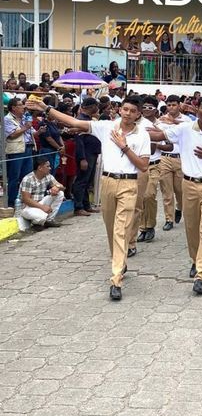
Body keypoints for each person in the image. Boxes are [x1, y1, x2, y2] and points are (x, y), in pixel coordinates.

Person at [25, 95, 151, 301]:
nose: (128, 113)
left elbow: (144, 166)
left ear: (138, 115)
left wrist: (124, 146)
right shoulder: (106, 126)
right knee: (111, 229)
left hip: (129, 184)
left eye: (133, 111)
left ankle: (116, 278)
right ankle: (120, 261)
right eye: (125, 109)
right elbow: (73, 122)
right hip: (108, 182)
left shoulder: (142, 134)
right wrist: (46, 109)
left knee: (121, 229)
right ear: (120, 110)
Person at [147, 96, 202, 296]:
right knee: (192, 228)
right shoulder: (184, 129)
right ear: (197, 110)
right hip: (189, 184)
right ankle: (196, 260)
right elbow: (159, 135)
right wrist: (132, 130)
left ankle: (201, 275)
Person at [158, 95, 189, 231]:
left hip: (181, 158)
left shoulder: (186, 120)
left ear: (179, 105)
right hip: (165, 157)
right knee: (167, 190)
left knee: (180, 190)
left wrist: (174, 122)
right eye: (169, 105)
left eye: (174, 105)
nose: (171, 107)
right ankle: (168, 219)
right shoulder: (161, 121)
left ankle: (179, 208)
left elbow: (189, 130)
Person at [136, 96, 164, 244]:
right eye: (144, 107)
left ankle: (150, 225)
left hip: (154, 164)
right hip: (138, 165)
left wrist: (151, 136)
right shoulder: (135, 124)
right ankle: (143, 228)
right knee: (140, 197)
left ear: (155, 109)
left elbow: (154, 149)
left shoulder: (158, 125)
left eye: (150, 107)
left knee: (149, 195)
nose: (147, 110)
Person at [72, 97, 102, 217]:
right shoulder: (81, 121)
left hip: (92, 153)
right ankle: (78, 207)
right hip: (86, 154)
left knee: (87, 181)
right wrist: (82, 158)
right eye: (96, 106)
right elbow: (79, 142)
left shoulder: (89, 120)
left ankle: (86, 205)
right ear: (91, 107)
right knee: (81, 181)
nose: (97, 108)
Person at [17, 157, 65, 231]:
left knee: (60, 193)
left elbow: (62, 187)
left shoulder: (48, 176)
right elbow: (26, 199)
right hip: (27, 207)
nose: (50, 168)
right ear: (40, 168)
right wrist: (42, 207)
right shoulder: (28, 179)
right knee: (42, 216)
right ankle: (38, 222)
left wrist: (57, 187)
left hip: (40, 202)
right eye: (47, 166)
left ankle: (49, 220)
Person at [4, 98, 35, 207]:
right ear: (13, 108)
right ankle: (12, 202)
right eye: (20, 105)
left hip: (28, 148)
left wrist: (39, 131)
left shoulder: (24, 118)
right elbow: (12, 135)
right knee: (14, 177)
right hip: (16, 151)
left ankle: (26, 201)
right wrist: (26, 127)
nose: (23, 107)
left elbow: (32, 132)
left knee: (27, 177)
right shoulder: (7, 119)